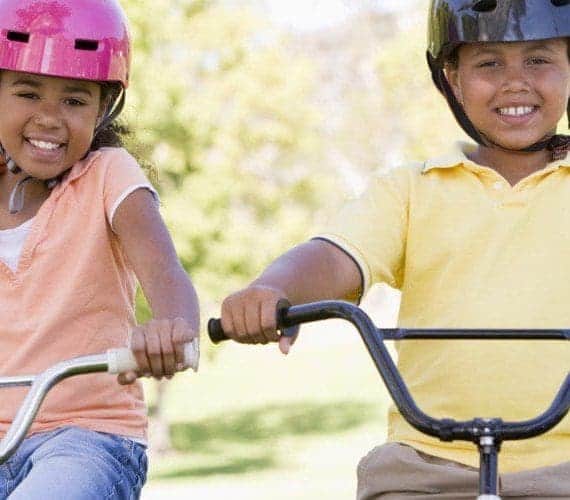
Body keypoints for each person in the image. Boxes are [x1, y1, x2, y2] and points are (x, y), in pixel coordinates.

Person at [219, 0, 570, 498]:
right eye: (489, 63)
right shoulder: (411, 189)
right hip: (428, 465)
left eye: (538, 60)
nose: (515, 82)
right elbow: (335, 257)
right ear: (451, 79)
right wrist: (274, 289)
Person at [0, 0, 200, 498]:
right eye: (27, 92)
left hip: (86, 436)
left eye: (75, 100)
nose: (50, 118)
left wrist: (173, 329)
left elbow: (167, 274)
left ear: (104, 107)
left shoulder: (108, 175)